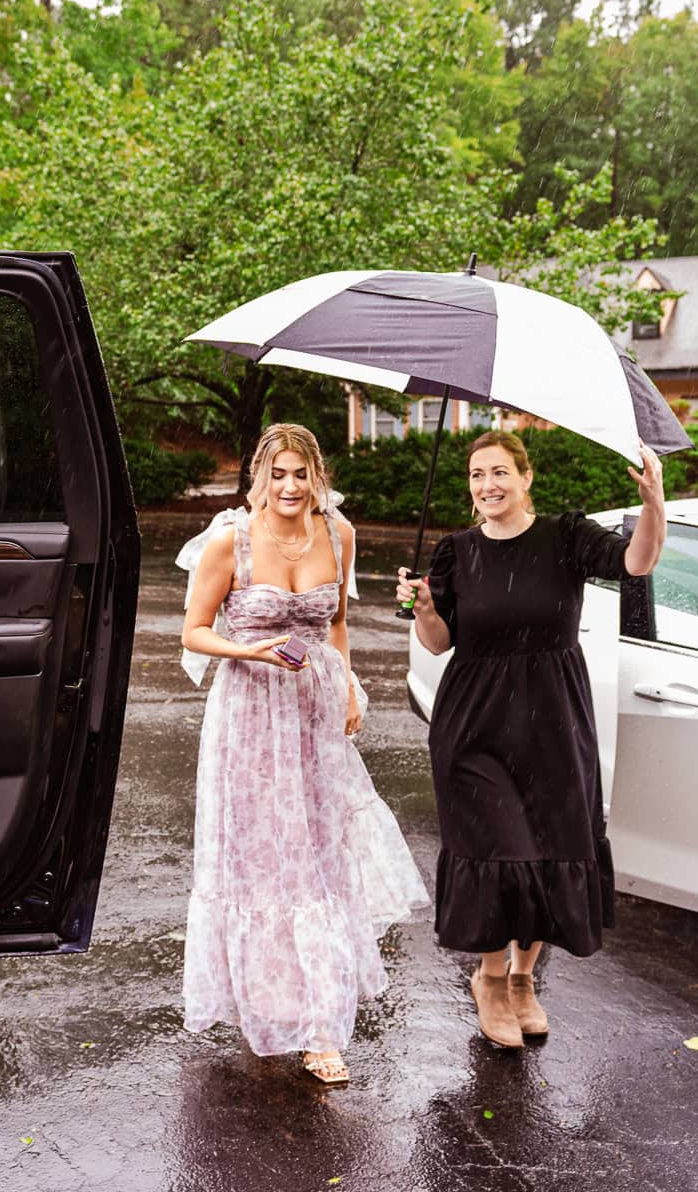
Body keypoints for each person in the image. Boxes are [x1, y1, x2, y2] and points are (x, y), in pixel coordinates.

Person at [394, 430, 665, 1048]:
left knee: (548, 847)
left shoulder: (565, 536)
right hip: (474, 726)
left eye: (499, 472)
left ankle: (523, 979)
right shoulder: (456, 551)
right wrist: (425, 607)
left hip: (553, 722)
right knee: (498, 851)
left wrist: (653, 502)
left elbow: (637, 563)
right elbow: (438, 642)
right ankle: (490, 979)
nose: (487, 485)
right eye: (476, 475)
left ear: (526, 477)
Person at [177, 424, 429, 1086]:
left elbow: (336, 621)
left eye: (301, 474)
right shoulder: (230, 540)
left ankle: (321, 1027)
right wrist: (249, 650)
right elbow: (194, 632)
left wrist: (346, 686)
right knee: (261, 861)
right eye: (278, 474)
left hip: (313, 712)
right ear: (259, 477)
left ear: (318, 476)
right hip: (248, 714)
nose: (290, 486)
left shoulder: (338, 535)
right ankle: (267, 1002)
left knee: (318, 858)